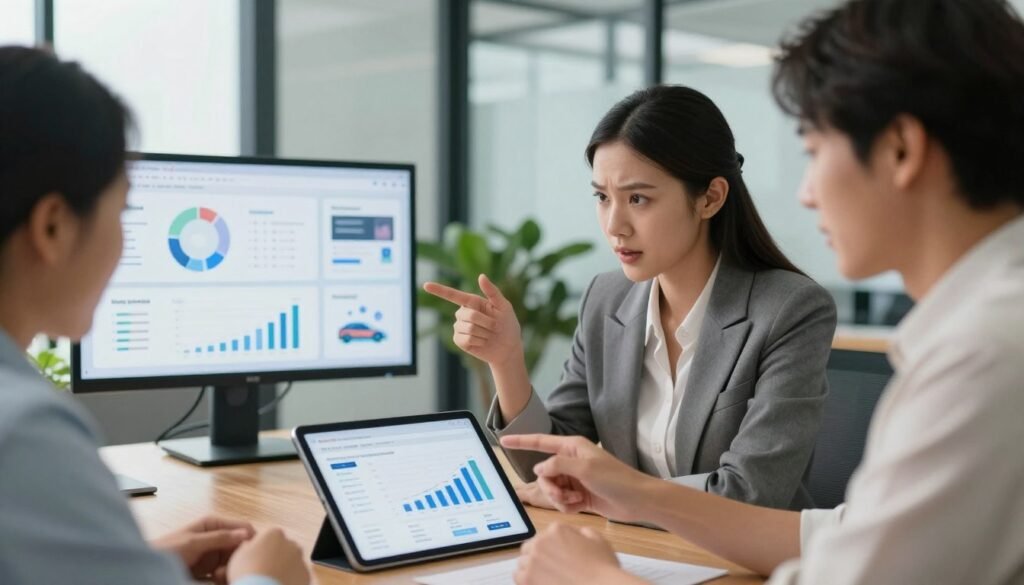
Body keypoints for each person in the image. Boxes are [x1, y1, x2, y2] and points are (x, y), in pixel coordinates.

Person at [501, 0, 1024, 583]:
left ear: (901, 148)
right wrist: (629, 495)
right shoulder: (985, 332)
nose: (804, 192)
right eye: (602, 196)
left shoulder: (986, 355)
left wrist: (595, 579)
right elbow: (841, 534)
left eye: (813, 150)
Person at [425, 85, 836, 512]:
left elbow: (750, 493)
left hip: (747, 567)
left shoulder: (791, 309)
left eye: (637, 198)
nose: (615, 225)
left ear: (710, 197)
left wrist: (605, 496)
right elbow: (549, 469)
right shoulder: (607, 298)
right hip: (639, 554)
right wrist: (506, 361)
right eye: (602, 197)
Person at [0, 46, 309, 585]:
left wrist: (131, 566)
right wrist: (267, 579)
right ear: (53, 227)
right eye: (121, 212)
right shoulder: (24, 432)